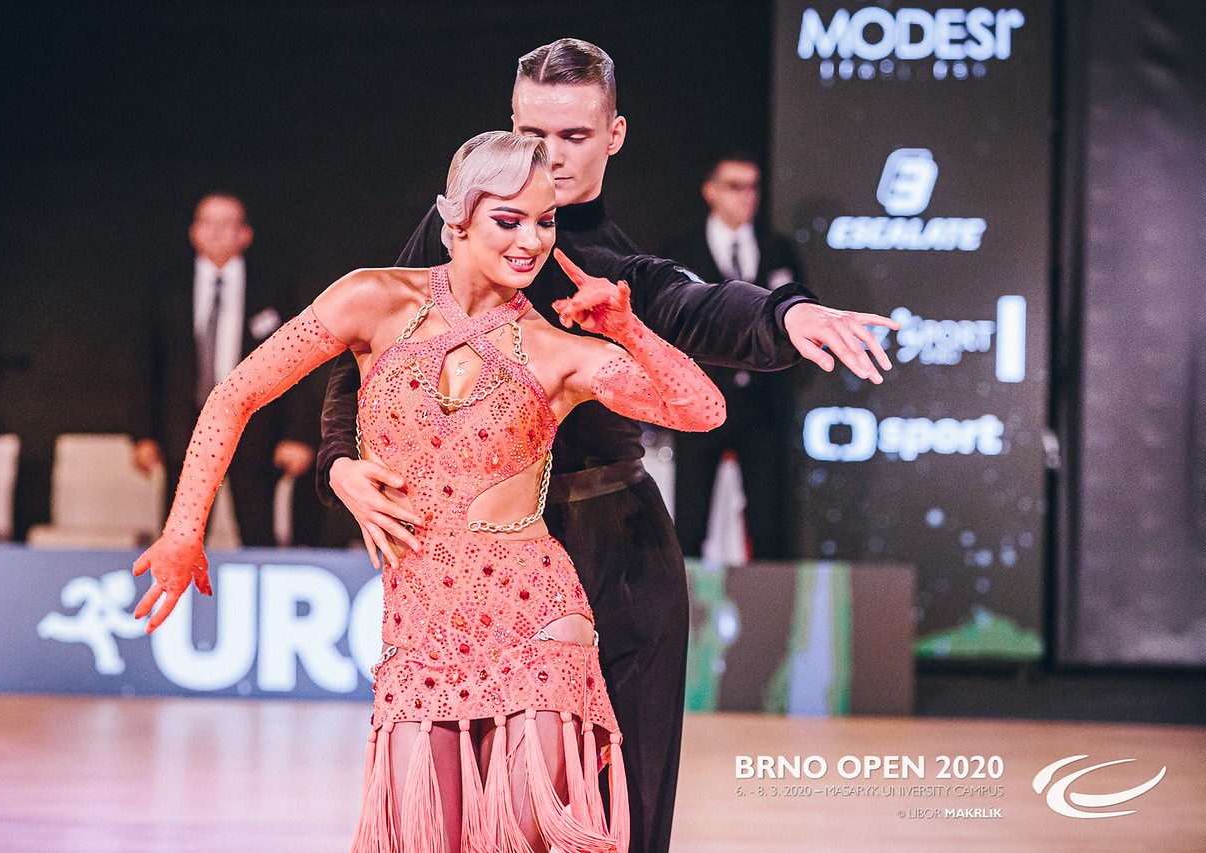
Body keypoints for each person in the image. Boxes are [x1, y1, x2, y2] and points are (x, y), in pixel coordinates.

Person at [315, 39, 898, 853]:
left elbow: (700, 306)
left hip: (614, 550)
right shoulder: (454, 232)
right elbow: (364, 355)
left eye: (574, 136)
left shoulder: (615, 265)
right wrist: (339, 463)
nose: (548, 156)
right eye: (531, 131)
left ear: (614, 135)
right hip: (482, 564)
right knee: (475, 818)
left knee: (625, 814)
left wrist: (787, 313)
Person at [132, 132, 725, 853]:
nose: (531, 240)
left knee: (525, 836)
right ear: (457, 219)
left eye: (544, 221)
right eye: (508, 219)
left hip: (535, 617)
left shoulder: (555, 350)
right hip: (419, 629)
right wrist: (183, 529)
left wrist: (630, 330)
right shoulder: (372, 298)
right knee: (424, 835)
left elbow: (703, 409)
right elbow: (235, 395)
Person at [131, 193, 318, 546]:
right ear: (193, 232)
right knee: (181, 537)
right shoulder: (167, 290)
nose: (216, 231)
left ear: (245, 234)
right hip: (185, 431)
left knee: (258, 536)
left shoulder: (273, 289)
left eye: (226, 223)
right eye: (207, 223)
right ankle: (177, 583)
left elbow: (299, 363)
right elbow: (147, 367)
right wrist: (143, 434)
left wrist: (297, 433)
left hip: (254, 429)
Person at [663, 152, 807, 561]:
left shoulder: (777, 250)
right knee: (689, 524)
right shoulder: (682, 252)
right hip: (700, 403)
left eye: (753, 187)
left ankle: (768, 605)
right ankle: (688, 601)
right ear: (710, 192)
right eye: (735, 186)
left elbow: (797, 318)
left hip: (763, 407)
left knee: (768, 528)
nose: (747, 196)